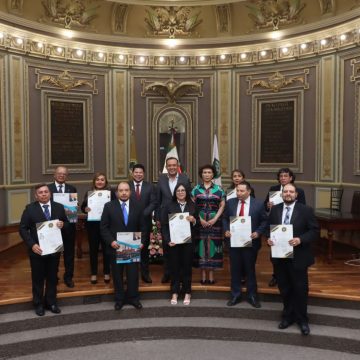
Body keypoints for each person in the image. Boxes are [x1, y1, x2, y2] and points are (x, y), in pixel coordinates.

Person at [267, 183, 319, 336]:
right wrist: (269, 239)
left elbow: (314, 231)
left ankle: (302, 320)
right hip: (280, 257)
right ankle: (287, 317)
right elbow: (269, 229)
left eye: (291, 191)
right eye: (285, 191)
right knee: (285, 288)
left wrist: (300, 239)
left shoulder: (306, 210)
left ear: (296, 195)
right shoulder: (275, 209)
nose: (288, 194)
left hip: (299, 257)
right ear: (282, 194)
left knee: (300, 289)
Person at [19, 183, 68, 316]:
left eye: (46, 192)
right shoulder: (30, 209)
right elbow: (22, 228)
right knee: (38, 278)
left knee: (52, 277)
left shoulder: (59, 207)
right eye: (40, 192)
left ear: (50, 193)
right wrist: (32, 244)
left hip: (54, 250)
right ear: (36, 195)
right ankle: (38, 303)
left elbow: (67, 223)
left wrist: (63, 224)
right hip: (37, 250)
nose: (44, 194)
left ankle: (51, 302)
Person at [100, 182, 145, 311]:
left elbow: (143, 227)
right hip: (115, 246)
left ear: (130, 192)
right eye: (121, 190)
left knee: (133, 274)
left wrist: (142, 241)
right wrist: (111, 242)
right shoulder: (109, 206)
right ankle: (119, 299)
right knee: (117, 275)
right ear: (117, 193)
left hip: (133, 246)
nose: (124, 192)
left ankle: (134, 298)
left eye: (126, 190)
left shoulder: (138, 206)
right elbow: (103, 227)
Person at [223, 181, 267, 308]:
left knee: (250, 269)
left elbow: (265, 221)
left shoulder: (258, 204)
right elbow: (225, 218)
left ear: (249, 191)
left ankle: (252, 295)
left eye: (242, 191)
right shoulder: (230, 203)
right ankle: (235, 295)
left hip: (251, 243)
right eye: (237, 190)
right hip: (234, 242)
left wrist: (258, 233)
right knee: (235, 269)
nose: (239, 193)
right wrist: (226, 230)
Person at [264, 167, 306, 287]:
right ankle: (276, 276)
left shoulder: (299, 191)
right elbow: (265, 207)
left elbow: (302, 207)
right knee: (275, 252)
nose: (283, 178)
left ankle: (291, 275)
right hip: (277, 225)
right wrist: (268, 205)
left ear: (291, 178)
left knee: (292, 252)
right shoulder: (273, 189)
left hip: (292, 225)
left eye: (285, 176)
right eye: (281, 176)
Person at [156, 157, 191, 283]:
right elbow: (157, 200)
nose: (171, 167)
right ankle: (167, 272)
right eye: (169, 165)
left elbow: (189, 197)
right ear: (166, 166)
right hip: (166, 217)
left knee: (181, 247)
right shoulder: (161, 179)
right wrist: (157, 218)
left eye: (174, 165)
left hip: (181, 217)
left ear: (178, 166)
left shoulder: (184, 178)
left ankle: (180, 273)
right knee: (167, 245)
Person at [161, 183, 197, 306]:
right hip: (174, 243)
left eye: (183, 190)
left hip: (188, 243)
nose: (181, 192)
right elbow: (164, 226)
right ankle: (174, 292)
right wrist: (167, 240)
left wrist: (194, 221)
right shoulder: (168, 206)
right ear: (175, 193)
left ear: (186, 192)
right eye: (178, 191)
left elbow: (197, 225)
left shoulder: (192, 205)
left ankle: (187, 292)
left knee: (187, 267)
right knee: (174, 267)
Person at [191, 164, 225, 284]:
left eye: (209, 172)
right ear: (201, 174)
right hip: (200, 223)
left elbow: (222, 205)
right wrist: (200, 219)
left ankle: (211, 275)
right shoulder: (195, 189)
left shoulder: (219, 189)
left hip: (215, 223)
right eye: (204, 172)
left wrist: (215, 218)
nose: (207, 174)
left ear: (213, 175)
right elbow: (192, 206)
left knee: (212, 247)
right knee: (201, 247)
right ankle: (203, 275)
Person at [81, 172, 116, 285]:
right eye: (97, 180)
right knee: (93, 250)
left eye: (102, 179)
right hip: (93, 226)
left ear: (105, 182)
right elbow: (83, 207)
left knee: (107, 250)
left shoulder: (110, 193)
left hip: (107, 226)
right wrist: (85, 209)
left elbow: (116, 206)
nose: (100, 181)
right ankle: (94, 273)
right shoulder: (89, 193)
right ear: (94, 181)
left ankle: (106, 272)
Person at [48, 166, 77, 288]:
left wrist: (75, 206)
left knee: (69, 255)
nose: (61, 175)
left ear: (67, 176)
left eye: (64, 174)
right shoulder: (48, 189)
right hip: (52, 228)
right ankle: (53, 277)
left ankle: (68, 277)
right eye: (59, 173)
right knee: (53, 255)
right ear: (54, 175)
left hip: (68, 227)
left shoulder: (72, 188)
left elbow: (73, 209)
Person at [129, 164, 157, 283]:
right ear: (132, 173)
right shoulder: (126, 186)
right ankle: (130, 275)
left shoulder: (150, 187)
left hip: (145, 223)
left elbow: (153, 202)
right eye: (136, 172)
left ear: (143, 174)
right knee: (130, 249)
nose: (138, 174)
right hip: (129, 222)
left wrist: (144, 213)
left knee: (144, 250)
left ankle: (145, 274)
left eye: (141, 172)